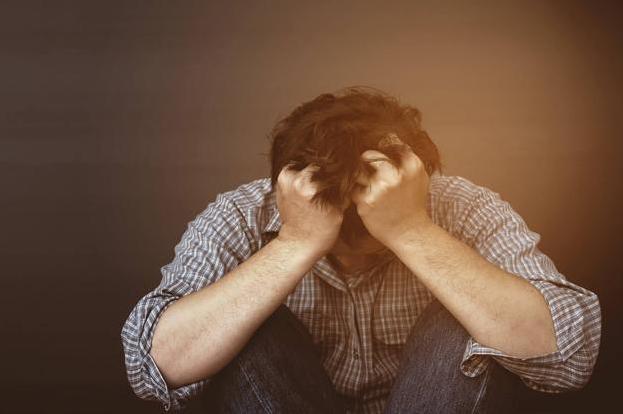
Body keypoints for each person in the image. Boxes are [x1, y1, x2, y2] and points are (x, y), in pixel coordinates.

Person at [121, 87, 601, 413]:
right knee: (238, 319)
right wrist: (297, 243)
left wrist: (411, 230)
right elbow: (151, 368)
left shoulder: (463, 207)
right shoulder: (242, 214)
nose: (353, 255)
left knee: (471, 314)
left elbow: (571, 356)